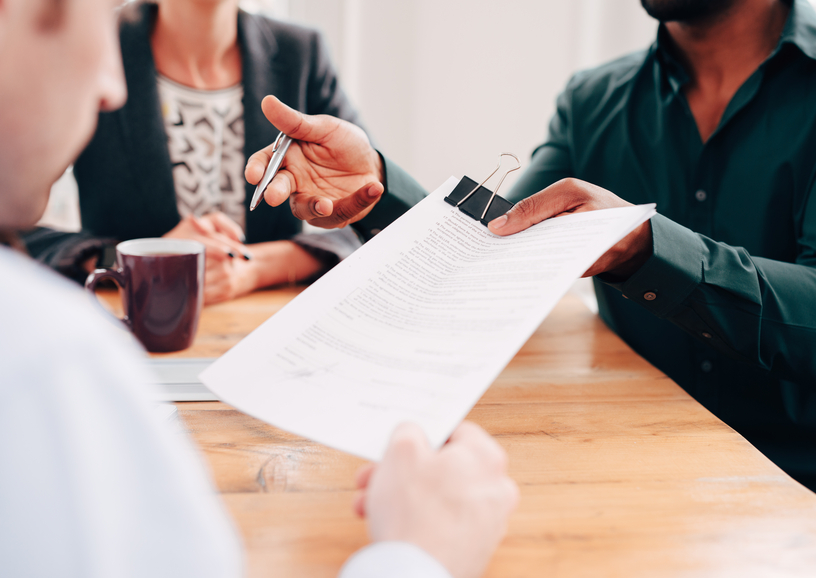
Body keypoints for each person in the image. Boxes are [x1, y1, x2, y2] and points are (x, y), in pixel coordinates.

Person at [246, 0, 816, 525]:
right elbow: (503, 240)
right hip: (629, 481)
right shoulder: (594, 98)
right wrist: (378, 182)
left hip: (814, 500)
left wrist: (646, 247)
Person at [0, 1, 518, 576]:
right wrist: (141, 255)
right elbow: (28, 232)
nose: (111, 91)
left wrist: (257, 264)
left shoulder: (298, 51)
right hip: (156, 350)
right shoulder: (53, 356)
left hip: (273, 371)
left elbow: (359, 214)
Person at [23, 0, 375, 304]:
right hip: (132, 331)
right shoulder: (93, 45)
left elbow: (375, 215)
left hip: (266, 336)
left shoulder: (301, 52)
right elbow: (10, 228)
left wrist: (255, 267)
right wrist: (133, 259)